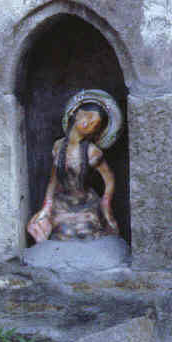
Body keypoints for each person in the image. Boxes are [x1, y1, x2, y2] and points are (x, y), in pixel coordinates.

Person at [27, 100, 118, 242]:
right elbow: (53, 180)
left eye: (95, 124)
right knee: (52, 231)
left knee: (85, 233)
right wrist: (46, 207)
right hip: (62, 203)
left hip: (86, 205)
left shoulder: (92, 152)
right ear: (76, 114)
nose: (88, 124)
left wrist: (106, 205)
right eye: (87, 117)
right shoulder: (58, 146)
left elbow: (109, 180)